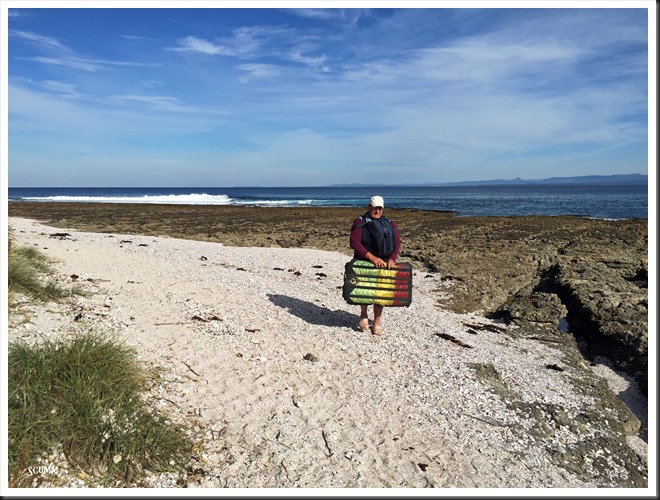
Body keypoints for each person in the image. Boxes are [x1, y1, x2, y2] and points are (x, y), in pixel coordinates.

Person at [349, 195, 401, 335]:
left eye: (380, 208)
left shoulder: (390, 223)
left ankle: (377, 323)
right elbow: (354, 242)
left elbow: (397, 243)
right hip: (365, 261)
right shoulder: (360, 222)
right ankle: (363, 315)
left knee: (381, 292)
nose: (377, 211)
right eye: (374, 208)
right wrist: (372, 258)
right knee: (364, 290)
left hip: (383, 263)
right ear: (369, 207)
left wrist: (392, 259)